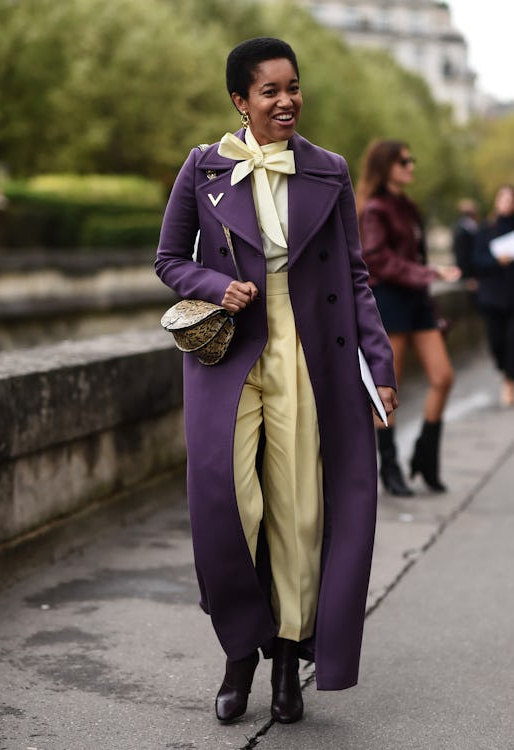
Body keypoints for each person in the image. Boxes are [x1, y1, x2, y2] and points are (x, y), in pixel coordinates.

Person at [155, 37, 397, 724]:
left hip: (308, 354)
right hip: (231, 357)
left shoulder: (330, 170)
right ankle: (240, 652)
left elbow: (355, 276)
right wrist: (214, 283)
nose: (287, 100)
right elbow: (169, 258)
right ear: (242, 100)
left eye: (293, 87)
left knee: (300, 511)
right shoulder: (203, 167)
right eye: (270, 91)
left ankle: (289, 659)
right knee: (230, 508)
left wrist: (378, 366)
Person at [356, 139, 461, 496]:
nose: (411, 166)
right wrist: (429, 274)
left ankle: (425, 456)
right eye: (405, 161)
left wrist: (426, 282)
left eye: (411, 160)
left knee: (443, 377)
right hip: (389, 300)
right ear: (386, 167)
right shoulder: (375, 209)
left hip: (416, 301)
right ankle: (390, 466)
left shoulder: (409, 207)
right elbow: (377, 260)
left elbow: (414, 257)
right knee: (389, 387)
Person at [473, 185, 514, 407]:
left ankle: (510, 382)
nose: (507, 202)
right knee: (497, 343)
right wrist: (497, 261)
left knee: (512, 343)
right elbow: (476, 262)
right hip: (493, 297)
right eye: (503, 198)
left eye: (511, 198)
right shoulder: (485, 230)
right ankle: (504, 371)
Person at [452, 198, 479, 285]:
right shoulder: (464, 229)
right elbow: (462, 255)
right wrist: (468, 276)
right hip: (468, 275)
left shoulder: (465, 227)